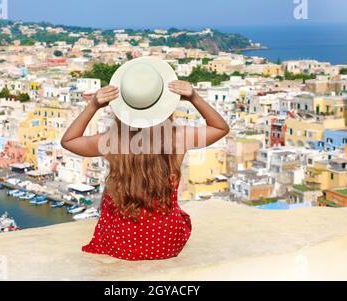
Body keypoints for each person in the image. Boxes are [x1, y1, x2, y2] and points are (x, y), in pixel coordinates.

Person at [61, 57, 229, 261]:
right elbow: (221, 128)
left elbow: (69, 141)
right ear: (165, 105)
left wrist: (93, 106)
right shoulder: (178, 138)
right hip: (166, 243)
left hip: (120, 243)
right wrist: (194, 97)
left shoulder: (112, 141)